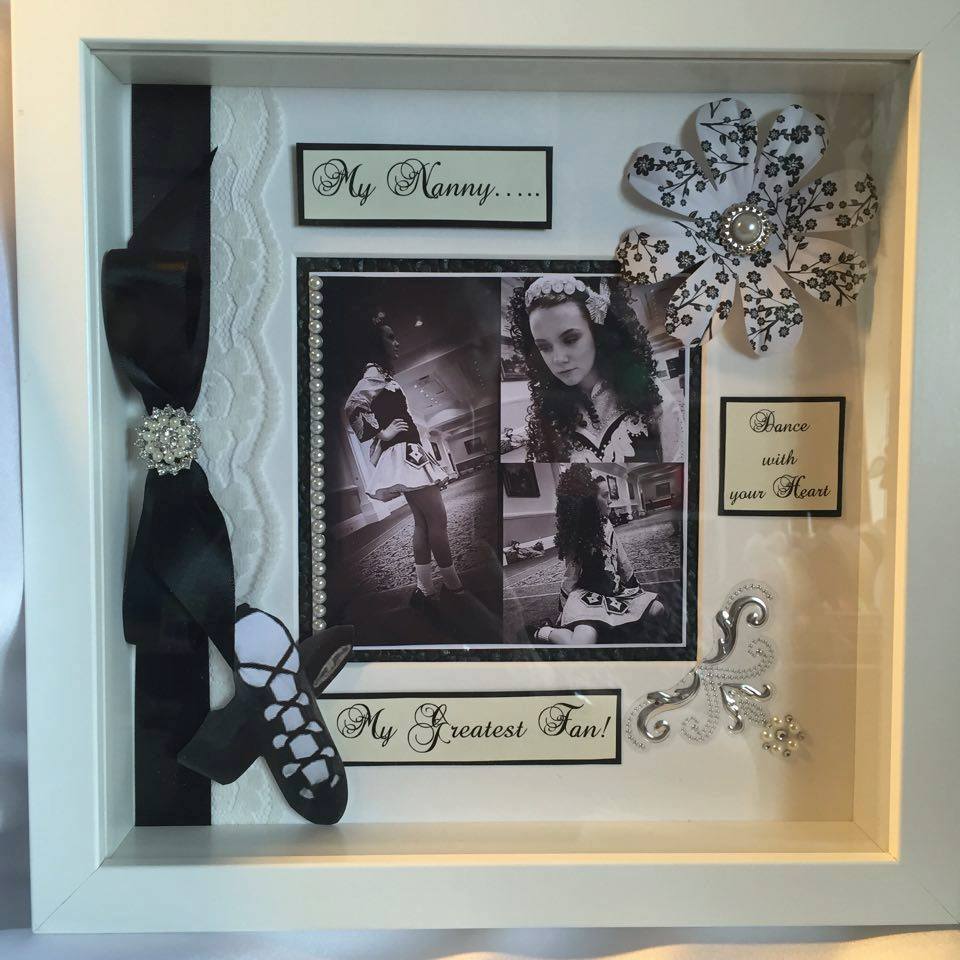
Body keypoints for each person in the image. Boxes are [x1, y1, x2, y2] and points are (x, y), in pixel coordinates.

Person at [344, 312, 464, 607]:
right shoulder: (373, 374)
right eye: (390, 337)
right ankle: (454, 587)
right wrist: (382, 434)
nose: (397, 342)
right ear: (376, 344)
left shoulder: (384, 376)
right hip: (404, 454)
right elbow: (353, 405)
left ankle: (426, 590)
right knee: (437, 521)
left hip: (408, 453)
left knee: (423, 523)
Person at [506, 275, 685, 463]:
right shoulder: (548, 414)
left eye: (570, 339)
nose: (558, 359)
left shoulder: (649, 393)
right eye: (544, 347)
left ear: (597, 333)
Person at [534, 464, 666, 645]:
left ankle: (607, 627)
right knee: (582, 643)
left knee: (658, 609)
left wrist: (636, 590)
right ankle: (544, 631)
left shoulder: (607, 524)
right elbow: (570, 576)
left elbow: (623, 561)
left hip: (614, 592)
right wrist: (563, 610)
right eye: (605, 496)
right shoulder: (577, 535)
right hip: (587, 598)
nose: (610, 501)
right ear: (589, 501)